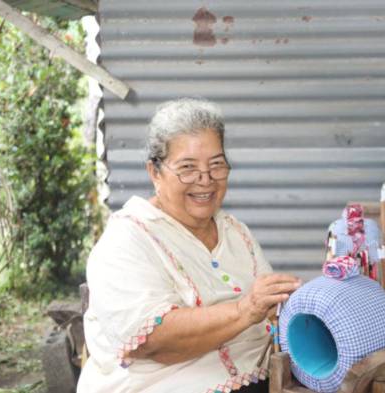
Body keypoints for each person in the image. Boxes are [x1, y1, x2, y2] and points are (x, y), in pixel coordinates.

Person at [78, 98, 301, 393]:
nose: (205, 180)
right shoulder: (126, 240)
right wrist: (246, 309)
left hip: (258, 379)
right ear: (154, 172)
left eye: (216, 165)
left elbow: (272, 314)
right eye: (187, 168)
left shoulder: (235, 232)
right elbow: (154, 341)